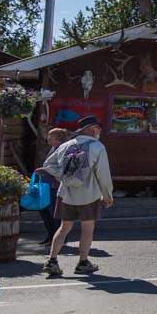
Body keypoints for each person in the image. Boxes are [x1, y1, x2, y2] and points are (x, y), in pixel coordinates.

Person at [41, 115, 114, 276]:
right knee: (87, 229)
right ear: (91, 129)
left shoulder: (66, 145)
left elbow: (47, 164)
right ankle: (83, 262)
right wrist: (107, 193)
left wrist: (62, 176)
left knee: (64, 227)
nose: (99, 130)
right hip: (89, 194)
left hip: (66, 193)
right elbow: (102, 173)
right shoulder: (97, 146)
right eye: (97, 128)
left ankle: (52, 261)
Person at [30, 128, 68, 246]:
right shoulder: (53, 148)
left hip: (55, 185)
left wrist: (44, 170)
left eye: (50, 136)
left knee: (53, 213)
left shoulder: (62, 150)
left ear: (57, 139)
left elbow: (60, 168)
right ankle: (50, 235)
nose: (48, 139)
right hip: (47, 185)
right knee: (44, 210)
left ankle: (58, 238)